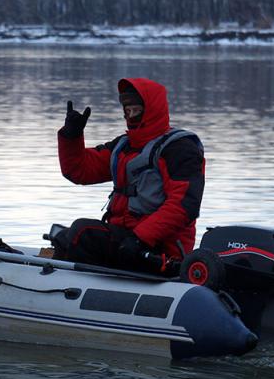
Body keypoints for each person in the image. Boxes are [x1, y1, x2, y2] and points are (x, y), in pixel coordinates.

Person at [52, 78, 205, 274]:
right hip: (127, 239)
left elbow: (184, 206)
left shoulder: (180, 149)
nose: (131, 116)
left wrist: (140, 238)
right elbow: (79, 171)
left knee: (82, 233)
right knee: (62, 236)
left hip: (160, 249)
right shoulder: (124, 146)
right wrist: (71, 137)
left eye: (136, 111)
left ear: (150, 110)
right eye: (127, 111)